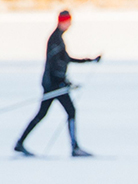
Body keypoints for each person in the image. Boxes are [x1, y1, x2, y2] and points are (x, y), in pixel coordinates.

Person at [13, 10, 102, 157]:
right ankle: (75, 148)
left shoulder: (58, 38)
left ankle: (20, 142)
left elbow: (65, 59)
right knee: (70, 111)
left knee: (43, 114)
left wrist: (89, 60)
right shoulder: (55, 39)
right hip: (53, 85)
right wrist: (62, 82)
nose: (70, 24)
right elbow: (55, 64)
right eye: (68, 21)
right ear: (63, 21)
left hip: (54, 83)